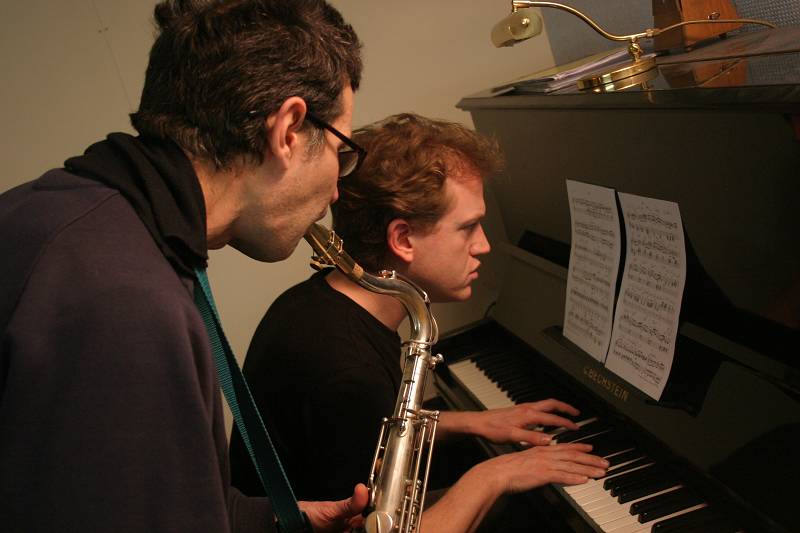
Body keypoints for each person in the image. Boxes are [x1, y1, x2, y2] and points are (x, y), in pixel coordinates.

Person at [0, 1, 370, 531]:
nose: (337, 187)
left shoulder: (80, 216)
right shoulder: (124, 304)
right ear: (288, 131)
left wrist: (283, 520)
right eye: (342, 149)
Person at [230, 113, 609, 532]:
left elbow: (373, 432)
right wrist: (494, 476)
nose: (483, 245)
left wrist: (470, 421)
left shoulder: (318, 303)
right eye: (468, 228)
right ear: (403, 239)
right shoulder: (346, 370)